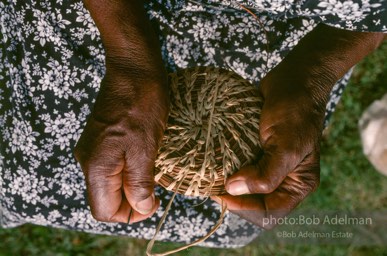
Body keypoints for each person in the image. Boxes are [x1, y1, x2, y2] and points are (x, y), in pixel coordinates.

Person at [1, 0, 386, 248]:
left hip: (295, 50)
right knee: (22, 182)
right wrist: (129, 54)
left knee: (235, 227)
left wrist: (312, 74)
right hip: (109, 14)